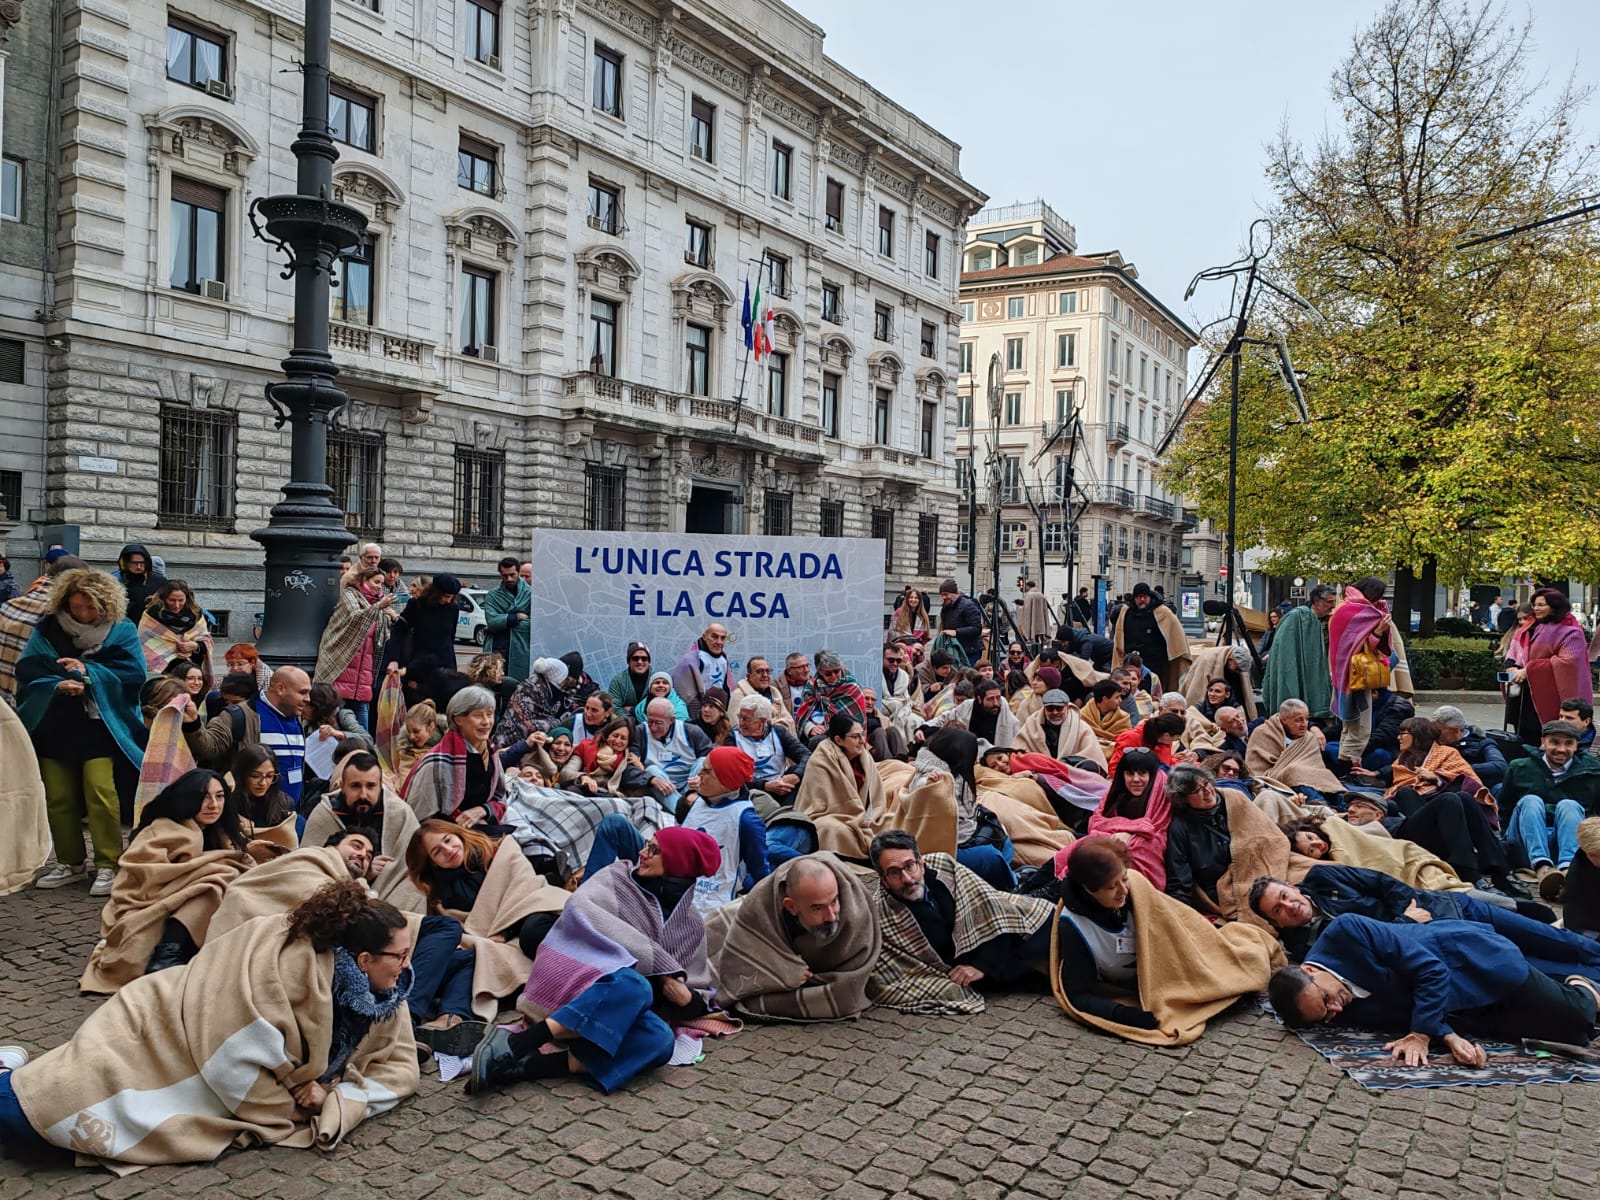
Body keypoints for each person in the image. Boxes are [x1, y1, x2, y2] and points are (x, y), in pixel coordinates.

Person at [0, 880, 419, 1167]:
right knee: (33, 1120)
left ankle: (14, 1072)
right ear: (363, 960)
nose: (407, 965)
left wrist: (330, 1092)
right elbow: (231, 1046)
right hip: (161, 1029)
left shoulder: (386, 993)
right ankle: (10, 1076)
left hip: (209, 1066)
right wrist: (294, 1103)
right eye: (399, 956)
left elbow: (401, 1069)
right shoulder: (288, 967)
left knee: (58, 1138)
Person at [472, 827, 723, 1095]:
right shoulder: (616, 879)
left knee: (660, 1040)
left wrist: (686, 999)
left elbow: (696, 992)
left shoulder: (691, 923)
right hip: (579, 984)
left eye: (653, 849)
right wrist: (658, 965)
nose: (642, 852)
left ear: (678, 862)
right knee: (634, 984)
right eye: (647, 845)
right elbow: (579, 910)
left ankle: (523, 1067)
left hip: (623, 1009)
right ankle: (519, 1044)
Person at [1266, 914, 1599, 1064]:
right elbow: (1399, 1016)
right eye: (1325, 1015)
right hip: (1455, 1006)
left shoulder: (1346, 930)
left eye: (1326, 999)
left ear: (1310, 969)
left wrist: (1423, 1034)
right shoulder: (1329, 1010)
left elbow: (1430, 970)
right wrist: (1450, 1037)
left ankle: (1581, 982)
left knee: (1578, 1016)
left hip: (1473, 959)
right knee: (1569, 1040)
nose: (1336, 1010)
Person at [1051, 836, 1283, 1043]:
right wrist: (1122, 1014)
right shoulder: (1074, 927)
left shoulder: (1136, 886)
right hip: (1131, 982)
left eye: (1124, 879)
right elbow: (1078, 993)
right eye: (1112, 887)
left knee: (1240, 969)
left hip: (1182, 955)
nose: (1123, 890)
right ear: (1089, 890)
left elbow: (1174, 930)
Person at [16, 568, 146, 894]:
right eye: (76, 607)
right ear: (65, 602)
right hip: (54, 722)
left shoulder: (122, 629)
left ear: (105, 605)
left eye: (90, 608)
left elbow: (133, 674)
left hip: (98, 725)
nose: (83, 614)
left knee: (101, 791)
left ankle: (108, 864)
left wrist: (89, 672)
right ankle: (70, 862)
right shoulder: (47, 629)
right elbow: (29, 671)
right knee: (58, 796)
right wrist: (56, 684)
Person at [79, 770, 252, 993]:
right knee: (218, 877)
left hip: (183, 906)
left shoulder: (218, 831)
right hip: (149, 904)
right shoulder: (162, 829)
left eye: (219, 796)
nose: (213, 805)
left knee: (225, 879)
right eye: (204, 797)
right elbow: (143, 876)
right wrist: (205, 870)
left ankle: (181, 950)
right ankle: (168, 953)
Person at [1249, 870, 1600, 978]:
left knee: (1560, 941)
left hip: (1453, 909)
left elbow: (1383, 883)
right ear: (1274, 922)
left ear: (1292, 887)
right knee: (1548, 968)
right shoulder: (1308, 948)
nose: (1288, 906)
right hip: (1450, 945)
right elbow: (1378, 952)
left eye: (1284, 895)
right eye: (1277, 911)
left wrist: (1408, 909)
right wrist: (1407, 922)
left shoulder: (1323, 878)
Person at [404, 819, 568, 1041]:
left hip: (530, 915)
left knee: (532, 931)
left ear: (458, 835)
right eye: (437, 851)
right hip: (489, 944)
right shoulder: (441, 896)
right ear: (433, 863)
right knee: (475, 956)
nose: (448, 850)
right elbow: (467, 929)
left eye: (448, 840)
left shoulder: (499, 853)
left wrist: (506, 931)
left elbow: (525, 889)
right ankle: (449, 1020)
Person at [866, 830, 1055, 1014]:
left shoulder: (944, 865)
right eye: (894, 872)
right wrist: (980, 969)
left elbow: (990, 909)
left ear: (921, 864)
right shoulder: (881, 914)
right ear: (883, 879)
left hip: (999, 934)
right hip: (967, 964)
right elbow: (895, 974)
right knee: (1045, 973)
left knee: (1053, 927)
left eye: (909, 866)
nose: (906, 878)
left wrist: (983, 965)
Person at [705, 852, 881, 1021]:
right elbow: (748, 947)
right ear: (791, 907)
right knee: (711, 935)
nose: (831, 916)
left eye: (834, 901)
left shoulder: (855, 904)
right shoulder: (762, 903)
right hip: (746, 916)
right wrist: (786, 969)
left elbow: (860, 960)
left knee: (844, 998)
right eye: (817, 908)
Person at [302, 751, 423, 911]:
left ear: (381, 785)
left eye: (371, 786)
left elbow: (413, 865)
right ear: (342, 785)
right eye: (355, 786)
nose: (363, 794)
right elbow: (308, 868)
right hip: (337, 899)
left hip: (391, 892)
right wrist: (364, 875)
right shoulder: (325, 813)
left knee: (416, 888)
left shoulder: (400, 813)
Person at [1499, 719, 1600, 901]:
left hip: (1568, 841)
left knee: (1569, 805)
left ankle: (1568, 869)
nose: (1561, 749)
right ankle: (1542, 867)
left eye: (1568, 743)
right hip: (1525, 839)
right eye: (1555, 742)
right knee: (1530, 801)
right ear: (1543, 742)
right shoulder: (1519, 767)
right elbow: (1504, 810)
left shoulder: (1592, 772)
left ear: (1577, 746)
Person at [184, 665, 311, 805]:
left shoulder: (296, 718)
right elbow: (208, 748)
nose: (308, 699)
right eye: (302, 692)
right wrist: (193, 723)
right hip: (248, 817)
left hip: (288, 816)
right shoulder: (239, 715)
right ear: (280, 689)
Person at [910, 727, 1017, 890]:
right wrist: (930, 785)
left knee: (1004, 839)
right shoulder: (935, 779)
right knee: (991, 856)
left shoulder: (954, 772)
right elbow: (922, 790)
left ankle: (995, 879)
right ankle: (1010, 886)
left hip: (964, 833)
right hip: (942, 848)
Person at [401, 685, 509, 831]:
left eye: (489, 715)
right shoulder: (435, 761)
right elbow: (419, 817)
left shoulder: (491, 753)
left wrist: (483, 811)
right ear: (458, 720)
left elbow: (500, 797)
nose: (486, 722)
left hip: (483, 826)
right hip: (446, 836)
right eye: (478, 716)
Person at [682, 746, 768, 912]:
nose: (699, 774)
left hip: (713, 903)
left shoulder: (746, 820)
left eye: (707, 771)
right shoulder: (698, 801)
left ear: (725, 780)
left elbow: (761, 873)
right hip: (679, 887)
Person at [1507, 588, 1593, 745]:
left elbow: (1569, 662)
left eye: (1541, 605)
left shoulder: (1570, 631)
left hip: (1550, 696)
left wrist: (1529, 670)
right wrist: (1511, 666)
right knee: (1523, 738)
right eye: (1534, 604)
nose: (1536, 608)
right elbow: (1515, 651)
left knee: (1546, 738)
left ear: (1555, 606)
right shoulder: (1529, 627)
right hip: (1524, 697)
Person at [793, 713, 885, 860]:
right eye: (855, 737)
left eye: (862, 735)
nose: (862, 741)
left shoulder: (865, 757)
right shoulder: (820, 760)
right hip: (827, 815)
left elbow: (876, 796)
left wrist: (867, 817)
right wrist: (857, 817)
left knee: (891, 822)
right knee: (831, 829)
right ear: (838, 740)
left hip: (863, 815)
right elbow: (822, 805)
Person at [314, 564, 395, 728]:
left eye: (381, 584)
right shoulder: (350, 595)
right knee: (335, 719)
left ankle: (364, 752)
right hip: (341, 665)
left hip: (362, 673)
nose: (379, 587)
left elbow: (381, 639)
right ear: (363, 580)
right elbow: (355, 618)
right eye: (376, 582)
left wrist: (391, 618)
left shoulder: (377, 604)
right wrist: (378, 608)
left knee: (361, 723)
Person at [1328, 576, 1395, 769]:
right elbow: (1365, 647)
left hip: (1341, 676)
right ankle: (1347, 770)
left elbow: (1348, 645)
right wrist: (1379, 631)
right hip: (1357, 676)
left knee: (1348, 728)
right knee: (1359, 731)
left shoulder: (1342, 608)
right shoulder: (1361, 612)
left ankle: (1344, 768)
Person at [1086, 748, 1171, 890]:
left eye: (1142, 773)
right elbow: (1094, 823)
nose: (1136, 779)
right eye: (1130, 774)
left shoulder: (1162, 796)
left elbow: (1158, 833)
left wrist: (1129, 837)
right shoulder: (1115, 795)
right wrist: (1134, 828)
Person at [382, 573, 463, 708]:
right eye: (445, 596)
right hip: (420, 665)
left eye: (452, 597)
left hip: (445, 666)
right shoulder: (417, 604)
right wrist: (394, 659)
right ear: (435, 592)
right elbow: (399, 630)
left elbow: (450, 638)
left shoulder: (453, 608)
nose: (448, 601)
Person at [1260, 586, 1338, 718]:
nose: (1333, 606)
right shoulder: (1299, 617)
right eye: (1329, 602)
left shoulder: (1310, 619)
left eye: (1334, 602)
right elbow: (1287, 654)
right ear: (1317, 601)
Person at [1244, 699, 1343, 801]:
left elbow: (1315, 765)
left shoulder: (1308, 737)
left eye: (1306, 719)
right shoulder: (1263, 733)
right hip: (1273, 779)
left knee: (1324, 775)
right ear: (1284, 720)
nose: (1304, 724)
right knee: (1294, 771)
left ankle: (1345, 803)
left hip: (1308, 776)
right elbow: (1255, 768)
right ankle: (1322, 804)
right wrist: (1288, 763)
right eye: (1298, 720)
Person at [632, 697, 713, 815]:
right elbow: (629, 768)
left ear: (671, 720)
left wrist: (702, 776)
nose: (653, 727)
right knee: (652, 770)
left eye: (658, 723)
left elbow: (713, 757)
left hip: (690, 783)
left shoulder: (691, 731)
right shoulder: (640, 732)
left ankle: (691, 806)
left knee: (703, 761)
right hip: (662, 785)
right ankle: (685, 814)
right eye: (650, 722)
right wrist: (651, 779)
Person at [731, 694, 810, 809]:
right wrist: (765, 785)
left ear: (762, 721)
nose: (741, 723)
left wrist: (796, 775)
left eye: (746, 719)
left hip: (780, 786)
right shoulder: (732, 737)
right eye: (740, 717)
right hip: (752, 790)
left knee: (801, 771)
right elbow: (732, 775)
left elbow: (807, 756)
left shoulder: (778, 732)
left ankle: (786, 812)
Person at [1111, 582, 1190, 692]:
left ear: (1149, 597)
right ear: (1134, 598)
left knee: (1152, 690)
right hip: (1130, 661)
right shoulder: (1126, 611)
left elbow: (1176, 638)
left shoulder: (1162, 611)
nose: (1142, 599)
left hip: (1155, 662)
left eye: (1145, 597)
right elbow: (1119, 637)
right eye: (1139, 597)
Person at [137, 579, 214, 689]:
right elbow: (144, 644)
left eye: (181, 600)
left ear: (187, 599)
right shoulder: (152, 615)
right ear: (164, 598)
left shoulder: (196, 615)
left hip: (192, 667)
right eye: (172, 600)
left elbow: (206, 640)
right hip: (163, 670)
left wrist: (195, 646)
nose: (177, 605)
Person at [493, 655, 580, 750]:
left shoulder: (541, 689)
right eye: (563, 680)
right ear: (556, 680)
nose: (563, 685)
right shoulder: (529, 691)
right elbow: (527, 725)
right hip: (506, 745)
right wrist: (560, 723)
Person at [926, 677, 1021, 751]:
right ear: (979, 699)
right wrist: (923, 729)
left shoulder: (1009, 719)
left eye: (998, 698)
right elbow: (944, 719)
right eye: (990, 699)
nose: (996, 703)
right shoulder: (967, 707)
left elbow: (1017, 743)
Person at [794, 649, 867, 746]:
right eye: (828, 673)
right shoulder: (811, 686)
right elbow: (803, 715)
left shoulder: (851, 686)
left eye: (836, 671)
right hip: (818, 730)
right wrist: (810, 728)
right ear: (820, 672)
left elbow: (857, 720)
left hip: (846, 733)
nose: (834, 676)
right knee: (814, 741)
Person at [1431, 704, 1508, 792]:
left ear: (1455, 730)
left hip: (1476, 790)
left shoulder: (1482, 743)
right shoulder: (1435, 742)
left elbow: (1500, 766)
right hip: (1443, 788)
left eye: (1438, 731)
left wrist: (1460, 769)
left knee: (1499, 788)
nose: (1434, 734)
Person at [480, 556, 532, 683]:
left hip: (520, 648)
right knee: (493, 683)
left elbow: (534, 624)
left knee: (518, 685)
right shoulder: (493, 595)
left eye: (512, 575)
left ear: (519, 573)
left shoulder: (531, 594)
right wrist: (516, 617)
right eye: (505, 576)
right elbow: (492, 621)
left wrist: (504, 620)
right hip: (497, 645)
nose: (509, 579)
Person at [670, 623, 731, 721]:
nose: (719, 642)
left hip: (717, 716)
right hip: (696, 717)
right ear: (704, 637)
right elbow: (685, 694)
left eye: (722, 638)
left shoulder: (723, 659)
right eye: (714, 637)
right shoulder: (691, 659)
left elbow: (725, 688)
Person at [230, 743, 295, 828]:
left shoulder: (283, 803)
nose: (263, 783)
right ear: (242, 774)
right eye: (255, 776)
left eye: (269, 776)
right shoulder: (228, 801)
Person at [1106, 712, 1188, 776]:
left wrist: (1181, 762)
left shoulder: (1164, 741)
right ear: (1167, 735)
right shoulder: (1131, 738)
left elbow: (1165, 764)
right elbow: (1114, 769)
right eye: (1176, 738)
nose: (1176, 740)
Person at [1072, 680, 1131, 760]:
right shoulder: (1081, 716)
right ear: (1105, 699)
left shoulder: (1124, 718)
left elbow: (1125, 743)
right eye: (1117, 697)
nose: (1120, 700)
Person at [876, 643, 922, 745]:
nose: (895, 664)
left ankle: (912, 751)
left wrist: (900, 704)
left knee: (917, 721)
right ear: (881, 659)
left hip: (902, 711)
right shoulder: (874, 674)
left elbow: (906, 699)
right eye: (891, 660)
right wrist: (896, 703)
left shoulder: (904, 676)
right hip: (882, 712)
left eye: (898, 661)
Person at [936, 578, 985, 666]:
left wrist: (956, 632)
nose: (943, 597)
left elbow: (976, 628)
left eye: (946, 594)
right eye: (941, 595)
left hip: (970, 650)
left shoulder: (968, 606)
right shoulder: (947, 607)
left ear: (954, 593)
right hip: (957, 649)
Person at [112, 542, 166, 621]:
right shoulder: (116, 581)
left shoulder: (159, 581)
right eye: (134, 563)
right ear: (125, 563)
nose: (139, 566)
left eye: (142, 563)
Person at [605, 641, 656, 717]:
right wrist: (632, 722)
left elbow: (663, 707)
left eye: (644, 658)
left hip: (652, 724)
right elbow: (614, 708)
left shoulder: (657, 680)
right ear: (628, 661)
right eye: (635, 658)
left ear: (648, 662)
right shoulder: (617, 681)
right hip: (626, 725)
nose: (640, 661)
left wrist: (632, 710)